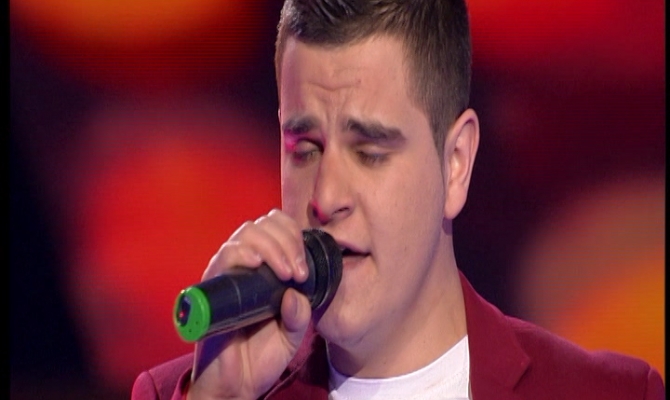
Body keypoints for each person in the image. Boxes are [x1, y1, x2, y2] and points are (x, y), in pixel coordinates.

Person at [131, 0, 665, 399]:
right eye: (305, 149)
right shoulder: (185, 393)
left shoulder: (609, 394)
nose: (326, 197)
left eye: (369, 152)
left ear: (456, 164)